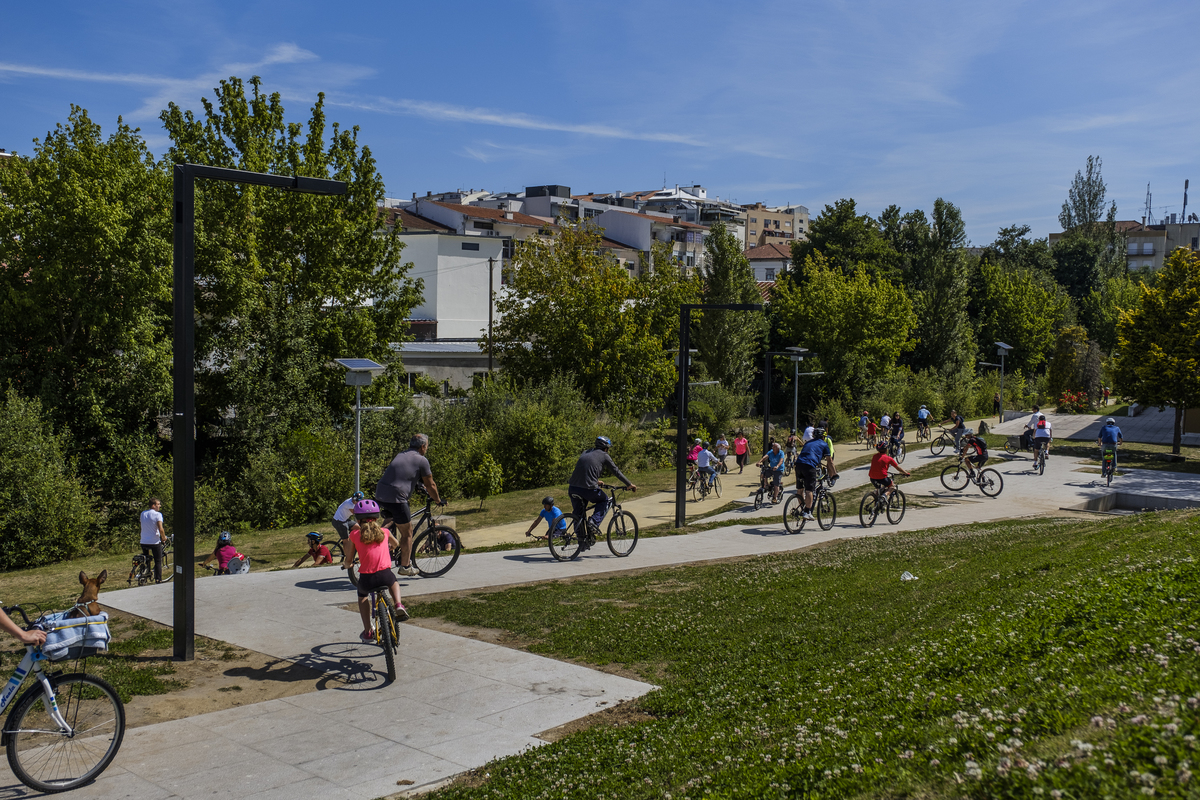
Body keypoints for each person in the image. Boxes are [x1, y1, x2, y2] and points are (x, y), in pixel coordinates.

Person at [376, 434, 443, 577]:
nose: (427, 449)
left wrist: (417, 485)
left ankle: (382, 543)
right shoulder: (422, 460)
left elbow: (402, 474)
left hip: (381, 494)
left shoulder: (401, 454)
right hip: (397, 498)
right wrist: (437, 500)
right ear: (422, 446)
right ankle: (405, 566)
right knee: (407, 532)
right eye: (427, 446)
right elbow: (430, 484)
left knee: (390, 522)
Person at [342, 498, 408, 640]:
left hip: (367, 579)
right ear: (377, 517)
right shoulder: (384, 532)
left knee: (362, 597)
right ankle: (398, 604)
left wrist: (348, 564)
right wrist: (391, 546)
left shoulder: (354, 535)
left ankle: (368, 631)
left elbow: (349, 558)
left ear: (358, 520)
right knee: (394, 582)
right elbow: (396, 543)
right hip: (385, 575)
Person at [567, 436, 637, 550]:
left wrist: (595, 481)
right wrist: (629, 484)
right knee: (604, 500)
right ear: (605, 448)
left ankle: (582, 542)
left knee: (578, 515)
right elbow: (616, 471)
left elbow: (584, 469)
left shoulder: (586, 452)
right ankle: (594, 522)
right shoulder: (604, 455)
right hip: (588, 489)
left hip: (573, 488)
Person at [795, 427, 838, 520]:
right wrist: (834, 474)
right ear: (823, 436)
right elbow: (829, 461)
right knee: (810, 490)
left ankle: (803, 507)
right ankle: (807, 512)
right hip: (809, 466)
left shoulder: (808, 443)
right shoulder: (824, 444)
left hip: (798, 464)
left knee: (800, 489)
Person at [139, 496, 168, 584]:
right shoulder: (157, 515)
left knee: (146, 559)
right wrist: (163, 537)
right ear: (153, 505)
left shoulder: (143, 513)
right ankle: (158, 579)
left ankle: (145, 574)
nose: (160, 506)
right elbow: (160, 528)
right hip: (154, 541)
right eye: (158, 504)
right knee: (158, 560)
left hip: (143, 541)